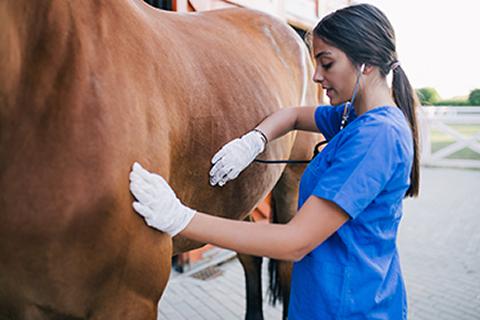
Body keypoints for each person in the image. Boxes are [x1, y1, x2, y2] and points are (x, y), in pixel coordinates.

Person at [129, 3, 420, 319]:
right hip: (328, 298)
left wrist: (182, 218)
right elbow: (293, 115)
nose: (316, 77)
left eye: (326, 63)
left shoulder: (377, 136)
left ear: (364, 63)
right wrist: (254, 141)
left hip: (348, 307)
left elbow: (294, 242)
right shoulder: (355, 116)